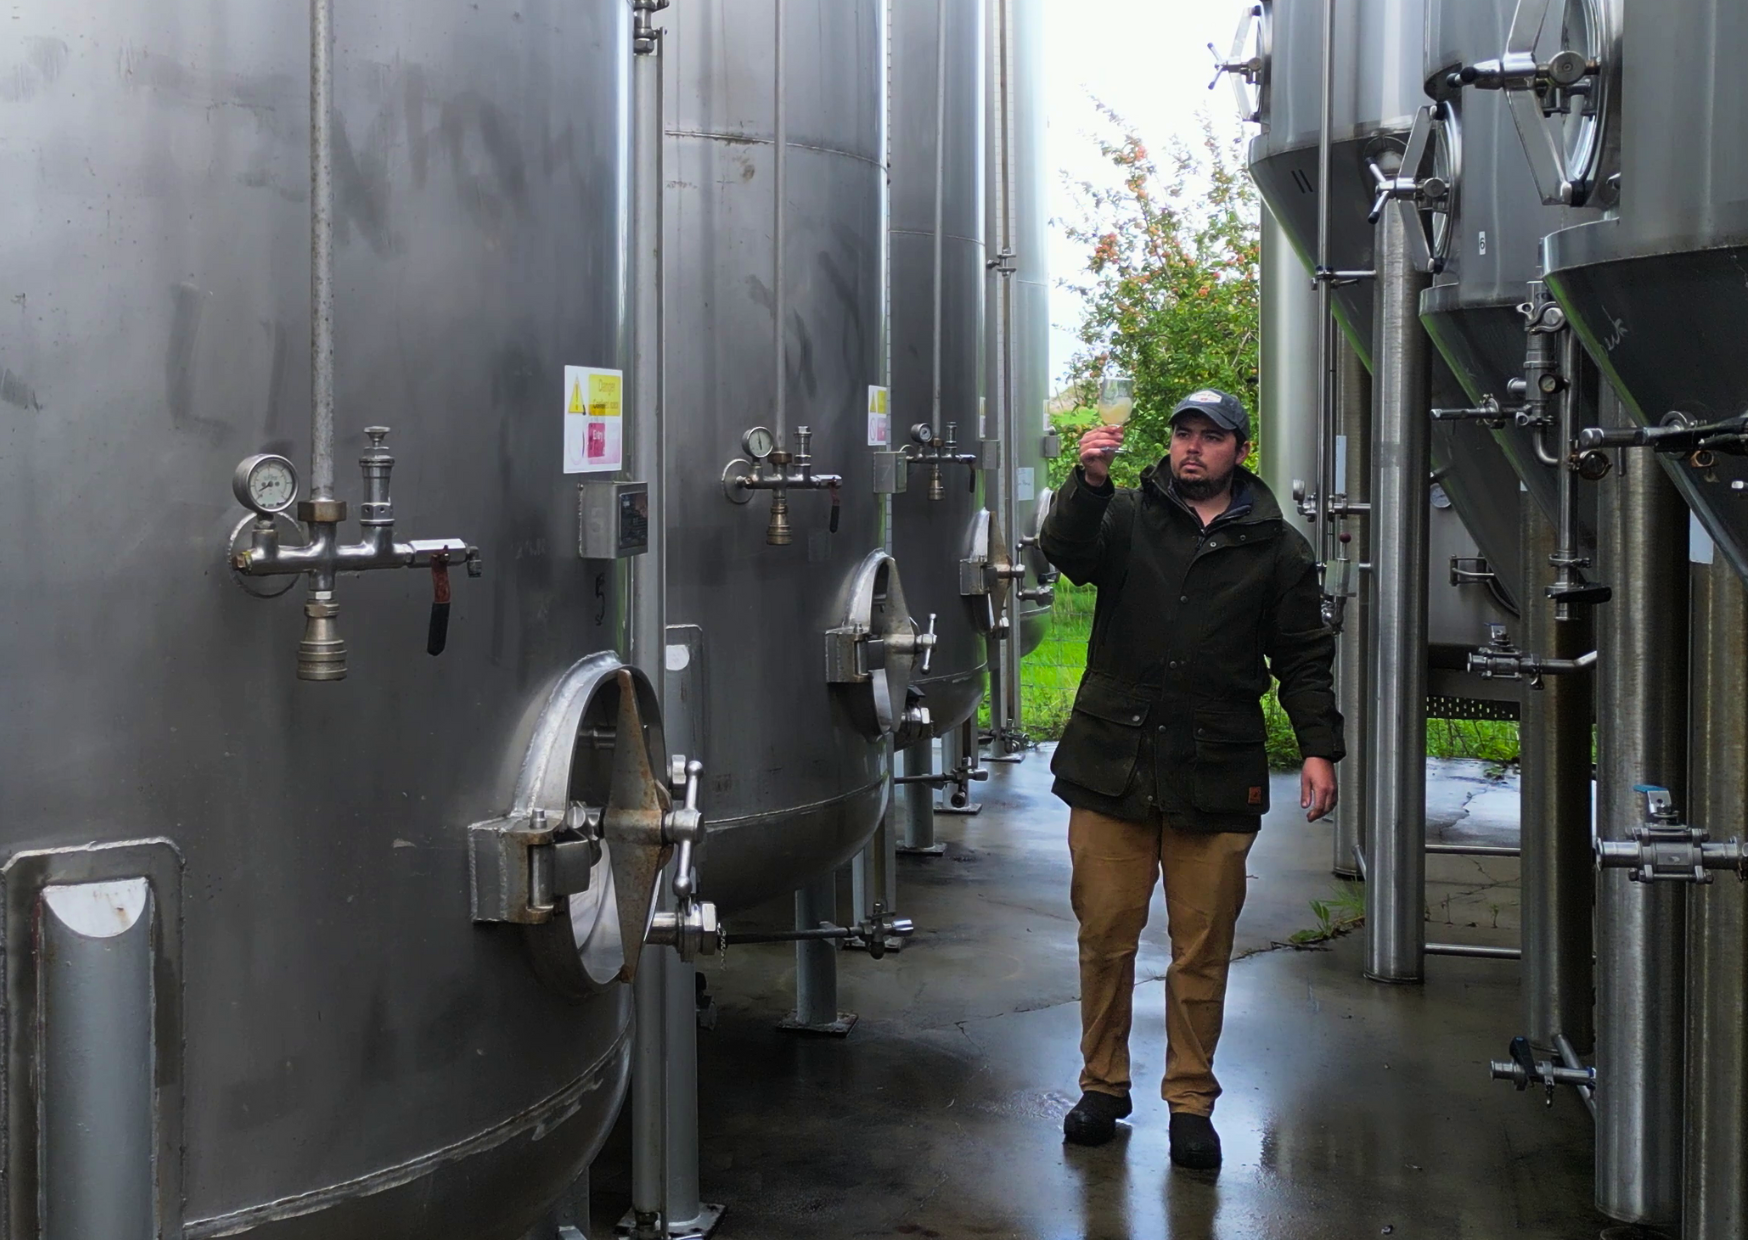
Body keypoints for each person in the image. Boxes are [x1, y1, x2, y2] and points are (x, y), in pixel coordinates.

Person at [1039, 387, 1342, 1169]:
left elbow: (1303, 655)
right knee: (1105, 935)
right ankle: (1103, 1085)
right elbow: (1066, 552)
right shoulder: (1125, 516)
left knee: (1202, 945)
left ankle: (1190, 1100)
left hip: (1215, 769)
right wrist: (1088, 481)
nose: (1192, 447)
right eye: (1184, 434)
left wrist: (1318, 747)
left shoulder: (1278, 547)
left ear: (1240, 450)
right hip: (1112, 761)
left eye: (1211, 436)